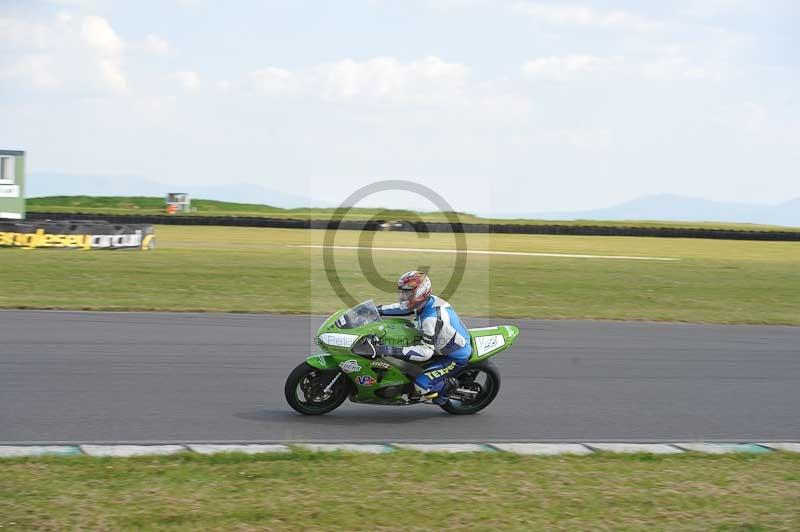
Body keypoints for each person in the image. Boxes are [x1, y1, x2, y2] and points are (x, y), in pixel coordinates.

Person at [376, 271, 472, 404]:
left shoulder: (430, 319)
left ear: (420, 293)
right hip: (445, 340)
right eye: (402, 292)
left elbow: (426, 352)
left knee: (420, 386)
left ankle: (446, 389)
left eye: (408, 293)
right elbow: (401, 308)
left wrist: (389, 349)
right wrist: (374, 310)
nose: (403, 296)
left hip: (453, 356)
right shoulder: (426, 301)